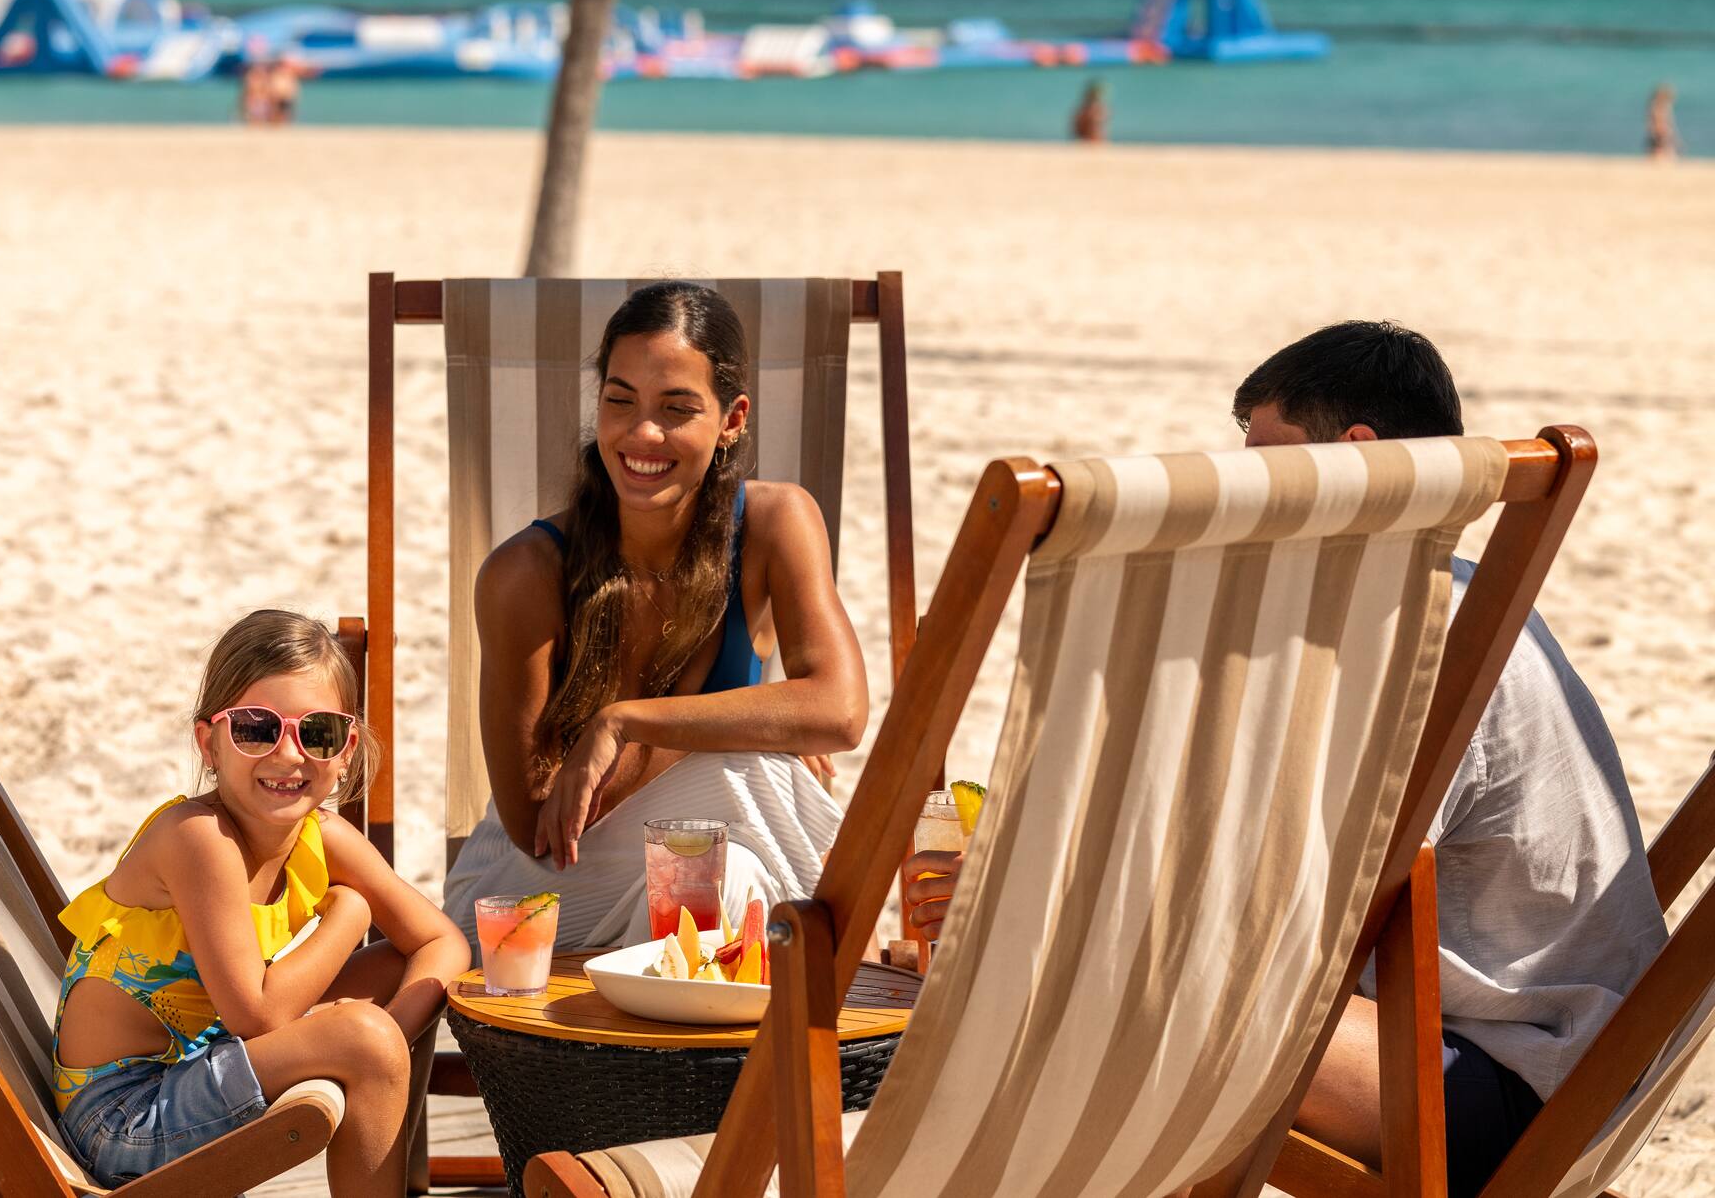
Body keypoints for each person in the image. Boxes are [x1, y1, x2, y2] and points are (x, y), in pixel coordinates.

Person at [903, 321, 1667, 1197]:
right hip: (1552, 1062)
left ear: (1353, 460)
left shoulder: (1426, 638)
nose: (1246, 493)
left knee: (1090, 998)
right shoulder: (1446, 601)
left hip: (1509, 1088)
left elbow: (1289, 909)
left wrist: (1034, 907)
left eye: (1263, 459)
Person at [441, 281, 869, 952]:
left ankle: (674, 1052)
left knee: (727, 875)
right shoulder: (525, 573)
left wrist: (621, 723)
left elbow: (840, 711)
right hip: (530, 902)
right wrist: (749, 725)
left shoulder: (775, 523)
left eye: (677, 408)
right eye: (620, 400)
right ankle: (842, 977)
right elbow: (537, 826)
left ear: (732, 419)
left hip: (688, 891)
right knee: (752, 770)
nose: (643, 432)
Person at [52, 610, 469, 1194]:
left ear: (346, 750)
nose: (288, 755)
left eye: (316, 732)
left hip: (201, 1063)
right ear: (210, 743)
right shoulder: (200, 838)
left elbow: (441, 942)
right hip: (125, 1118)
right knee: (364, 1037)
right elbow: (258, 1015)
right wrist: (351, 918)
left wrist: (389, 1040)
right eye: (256, 728)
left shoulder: (322, 837)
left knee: (401, 979)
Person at [1648, 83, 1681, 159]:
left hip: (1661, 132)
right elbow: (1658, 122)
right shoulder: (1657, 107)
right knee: (1660, 153)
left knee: (1661, 153)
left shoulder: (1659, 106)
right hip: (1660, 132)